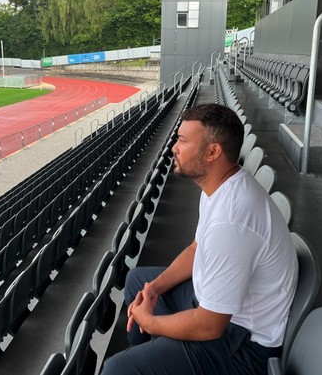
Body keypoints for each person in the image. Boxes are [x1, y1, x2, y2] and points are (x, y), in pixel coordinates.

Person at [101, 103, 298, 375]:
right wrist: (155, 289)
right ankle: (149, 358)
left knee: (116, 369)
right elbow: (197, 249)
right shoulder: (218, 188)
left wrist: (150, 321)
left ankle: (142, 364)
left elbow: (210, 325)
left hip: (242, 345)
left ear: (212, 152)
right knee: (140, 282)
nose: (174, 147)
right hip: (219, 309)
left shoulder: (232, 221)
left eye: (182, 140)